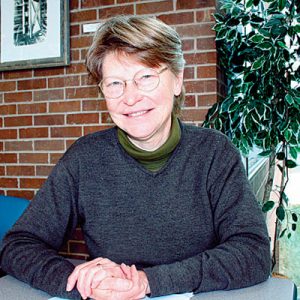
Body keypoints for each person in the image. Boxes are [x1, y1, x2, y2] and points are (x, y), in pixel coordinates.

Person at [0, 15, 271, 300]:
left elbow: (252, 252)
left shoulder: (214, 153)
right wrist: (79, 281)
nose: (130, 97)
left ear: (177, 81)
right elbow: (18, 245)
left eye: (146, 77)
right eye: (116, 83)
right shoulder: (85, 158)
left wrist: (147, 281)